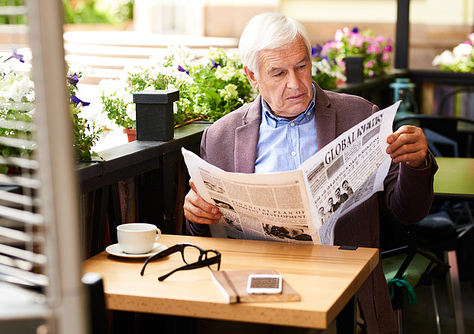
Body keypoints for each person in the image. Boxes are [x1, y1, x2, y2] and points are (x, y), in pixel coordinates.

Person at [184, 12, 437, 334]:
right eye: (277, 73)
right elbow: (203, 237)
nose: (295, 83)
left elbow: (409, 212)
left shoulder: (359, 115)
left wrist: (417, 165)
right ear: (252, 76)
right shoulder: (222, 135)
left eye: (301, 66)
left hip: (342, 289)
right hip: (253, 291)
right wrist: (196, 214)